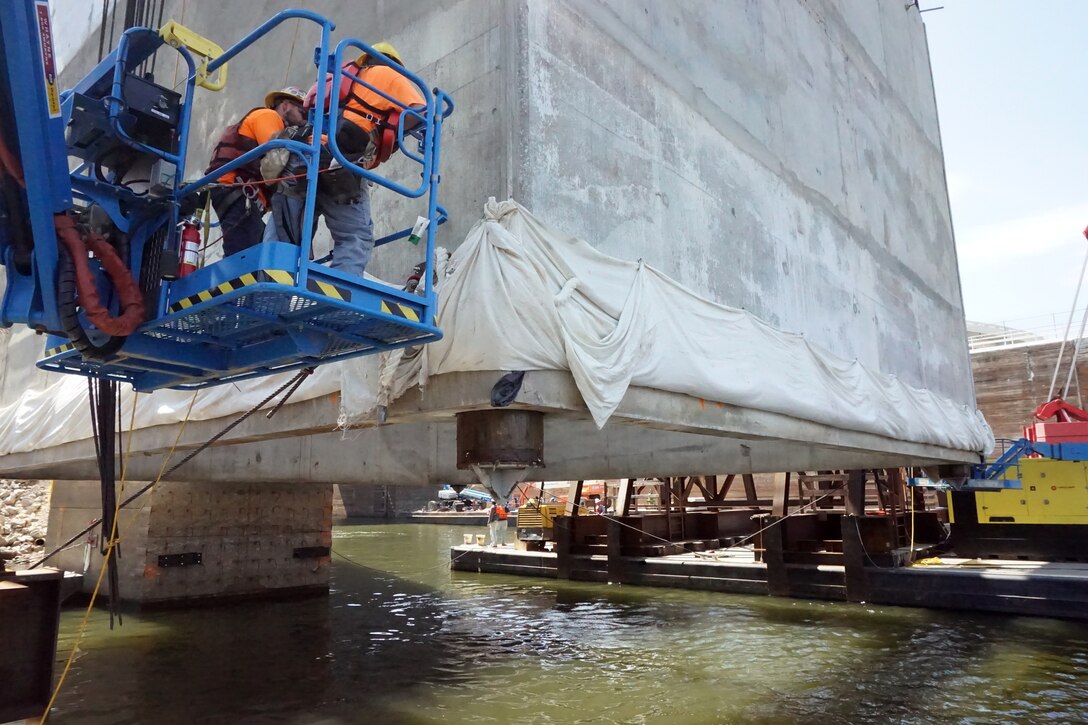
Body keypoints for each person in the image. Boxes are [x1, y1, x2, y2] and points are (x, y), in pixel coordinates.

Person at [264, 41, 425, 278]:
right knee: (354, 236)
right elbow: (419, 112)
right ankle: (338, 293)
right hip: (342, 163)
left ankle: (270, 283)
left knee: (284, 229)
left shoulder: (338, 80)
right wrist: (392, 131)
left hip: (303, 157)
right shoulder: (387, 74)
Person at [204, 87, 307, 255]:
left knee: (255, 247)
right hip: (236, 190)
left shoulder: (280, 127)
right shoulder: (268, 116)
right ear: (286, 105)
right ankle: (235, 281)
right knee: (244, 251)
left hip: (243, 196)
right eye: (303, 112)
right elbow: (278, 156)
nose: (304, 120)